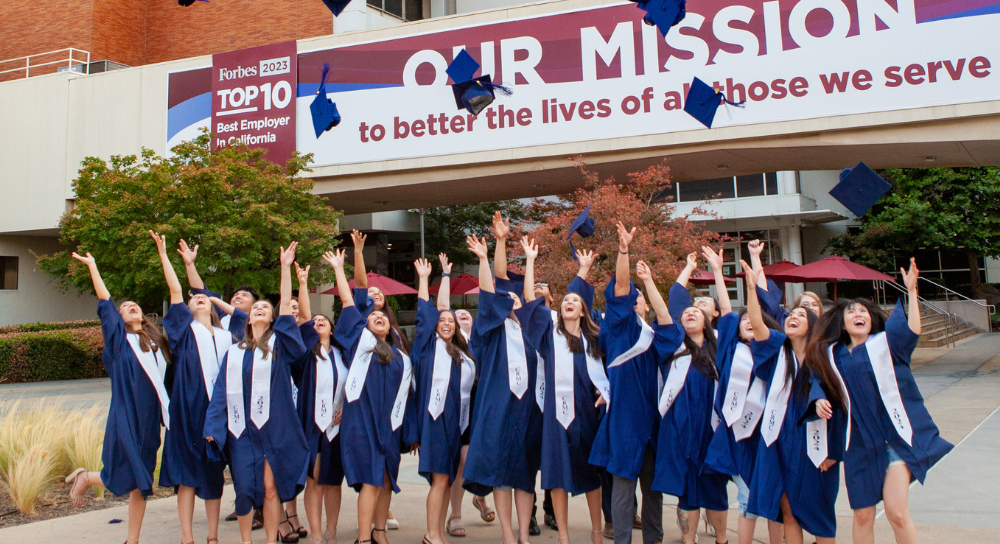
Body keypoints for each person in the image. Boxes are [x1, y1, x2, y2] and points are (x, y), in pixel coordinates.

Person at [812, 258, 952, 544]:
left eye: (863, 311)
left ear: (871, 318)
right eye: (851, 312)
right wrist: (816, 402)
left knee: (896, 513)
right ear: (843, 322)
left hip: (895, 440)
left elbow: (911, 331)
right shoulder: (832, 356)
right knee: (862, 516)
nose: (858, 314)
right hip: (859, 446)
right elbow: (817, 386)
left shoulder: (887, 346)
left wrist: (912, 291)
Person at [203, 243, 310, 544]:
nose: (260, 309)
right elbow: (220, 394)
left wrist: (285, 268)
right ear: (247, 319)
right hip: (242, 430)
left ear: (274, 319)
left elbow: (289, 308)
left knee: (271, 487)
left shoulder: (282, 346)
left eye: (266, 307)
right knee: (246, 489)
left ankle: (270, 540)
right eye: (255, 308)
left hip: (275, 427)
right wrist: (213, 428)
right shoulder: (233, 353)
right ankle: (246, 540)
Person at [65, 250, 171, 544]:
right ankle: (86, 477)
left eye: (135, 305)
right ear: (120, 318)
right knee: (124, 474)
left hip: (151, 419)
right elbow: (105, 303)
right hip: (125, 414)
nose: (131, 306)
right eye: (126, 307)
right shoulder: (118, 342)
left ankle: (132, 539)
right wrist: (93, 267)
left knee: (143, 480)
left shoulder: (158, 344)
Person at [589, 223, 683, 544]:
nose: (633, 299)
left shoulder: (653, 336)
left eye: (638, 299)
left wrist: (650, 282)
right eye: (630, 296)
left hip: (653, 423)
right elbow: (620, 288)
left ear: (643, 305)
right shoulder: (617, 330)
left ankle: (653, 540)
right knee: (623, 487)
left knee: (653, 489)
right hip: (625, 421)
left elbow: (668, 322)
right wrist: (624, 250)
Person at [742, 263, 844, 544]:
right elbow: (758, 323)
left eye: (802, 314)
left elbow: (841, 405)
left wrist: (834, 451)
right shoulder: (777, 350)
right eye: (791, 314)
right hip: (780, 439)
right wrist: (751, 289)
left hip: (814, 439)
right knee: (786, 510)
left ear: (813, 324)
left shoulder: (825, 358)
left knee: (820, 516)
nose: (793, 317)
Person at [518, 239, 609, 544]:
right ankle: (564, 536)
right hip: (555, 415)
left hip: (587, 412)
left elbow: (610, 374)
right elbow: (530, 300)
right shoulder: (548, 332)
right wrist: (531, 260)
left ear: (583, 311)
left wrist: (607, 393)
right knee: (556, 476)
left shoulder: (594, 340)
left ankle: (597, 531)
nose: (569, 302)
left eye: (575, 300)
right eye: (565, 300)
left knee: (592, 474)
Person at [325, 249, 413, 544]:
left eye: (383, 318)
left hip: (389, 424)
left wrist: (408, 431)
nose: (378, 319)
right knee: (372, 480)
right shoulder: (358, 344)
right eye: (372, 317)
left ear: (390, 328)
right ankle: (364, 539)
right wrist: (342, 266)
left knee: (387, 479)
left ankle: (379, 532)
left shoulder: (402, 357)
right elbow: (350, 301)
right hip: (362, 422)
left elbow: (407, 396)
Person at [463, 230, 543, 544]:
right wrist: (487, 255)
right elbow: (489, 292)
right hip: (498, 408)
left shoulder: (532, 334)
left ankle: (524, 534)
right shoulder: (490, 332)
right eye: (504, 298)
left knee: (524, 477)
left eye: (514, 297)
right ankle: (508, 535)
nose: (508, 299)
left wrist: (531, 261)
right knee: (501, 475)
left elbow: (529, 298)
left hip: (528, 410)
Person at [149, 232, 230, 544]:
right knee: (186, 478)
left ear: (212, 307)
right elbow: (175, 290)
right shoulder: (184, 329)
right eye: (195, 297)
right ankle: (187, 538)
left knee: (213, 477)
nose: (199, 298)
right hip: (186, 413)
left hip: (216, 413)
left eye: (204, 297)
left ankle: (212, 537)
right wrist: (165, 254)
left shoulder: (226, 338)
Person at [701, 248, 784, 544]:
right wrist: (717, 271)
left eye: (755, 317)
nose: (749, 320)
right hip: (736, 434)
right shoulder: (729, 349)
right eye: (744, 318)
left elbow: (767, 304)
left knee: (773, 499)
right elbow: (725, 309)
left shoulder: (775, 349)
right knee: (748, 497)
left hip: (767, 432)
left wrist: (756, 265)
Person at [652, 248, 729, 544]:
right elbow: (673, 299)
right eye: (686, 313)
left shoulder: (720, 346)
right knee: (686, 487)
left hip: (711, 426)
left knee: (714, 484)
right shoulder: (673, 346)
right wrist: (687, 268)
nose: (690, 312)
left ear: (708, 320)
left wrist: (718, 271)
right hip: (680, 426)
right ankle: (688, 539)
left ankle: (721, 538)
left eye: (697, 311)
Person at [410, 254, 478, 544]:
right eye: (443, 320)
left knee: (446, 479)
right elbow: (430, 310)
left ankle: (436, 532)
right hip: (434, 420)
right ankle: (431, 533)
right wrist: (434, 278)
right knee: (440, 479)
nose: (447, 322)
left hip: (455, 423)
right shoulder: (427, 348)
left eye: (452, 321)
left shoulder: (462, 354)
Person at [291, 260, 347, 544]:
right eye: (315, 321)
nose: (318, 321)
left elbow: (355, 387)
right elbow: (303, 316)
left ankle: (331, 531)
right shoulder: (305, 357)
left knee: (333, 482)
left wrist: (345, 410)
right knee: (313, 480)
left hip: (337, 427)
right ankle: (314, 533)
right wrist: (302, 283)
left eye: (324, 320)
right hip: (312, 426)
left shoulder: (343, 356)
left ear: (333, 329)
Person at [446, 308, 497, 537]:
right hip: (462, 408)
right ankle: (455, 515)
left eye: (467, 312)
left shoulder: (483, 341)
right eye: (457, 314)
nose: (462, 314)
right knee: (463, 461)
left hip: (484, 407)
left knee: (484, 458)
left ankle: (480, 497)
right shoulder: (450, 345)